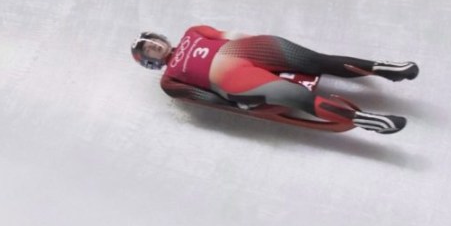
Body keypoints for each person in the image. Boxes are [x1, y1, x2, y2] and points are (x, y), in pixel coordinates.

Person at [131, 27, 418, 134]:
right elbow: (206, 99)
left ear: (160, 38)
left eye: (152, 42)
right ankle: (364, 118)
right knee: (294, 95)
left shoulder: (193, 32)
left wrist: (257, 41)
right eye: (148, 50)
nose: (154, 47)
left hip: (248, 50)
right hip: (235, 80)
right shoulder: (169, 81)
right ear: (149, 61)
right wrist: (237, 106)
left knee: (316, 60)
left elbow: (229, 35)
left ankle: (383, 68)